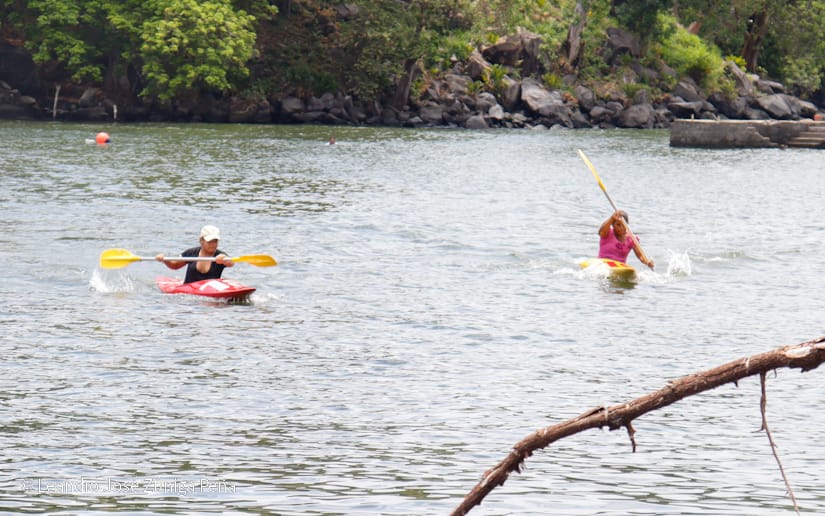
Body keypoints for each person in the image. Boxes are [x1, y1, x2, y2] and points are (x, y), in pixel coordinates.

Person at [156, 225, 234, 283]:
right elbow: (175, 265)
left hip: (210, 292)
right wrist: (164, 260)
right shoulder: (191, 253)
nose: (213, 244)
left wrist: (224, 259)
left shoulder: (220, 255)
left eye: (215, 241)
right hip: (189, 292)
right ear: (201, 241)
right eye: (210, 241)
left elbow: (231, 263)